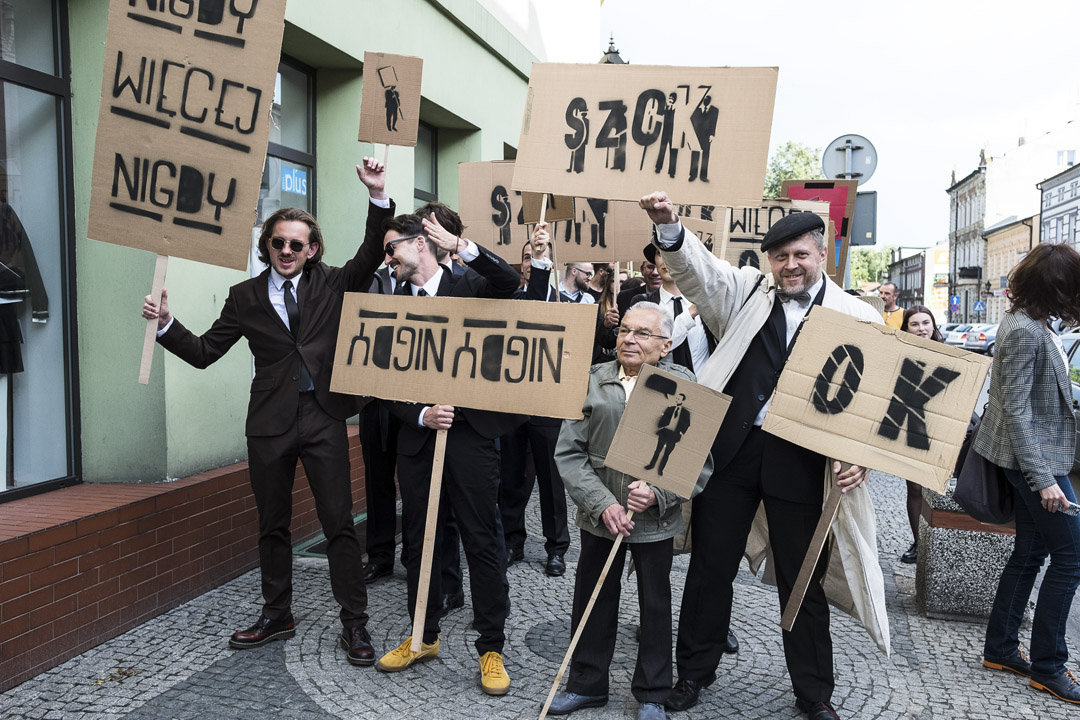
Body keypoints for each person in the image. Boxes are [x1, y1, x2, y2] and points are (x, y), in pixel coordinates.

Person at [140, 158, 391, 666]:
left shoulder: (334, 282)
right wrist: (167, 324)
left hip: (324, 417)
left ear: (312, 249)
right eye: (277, 243)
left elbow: (370, 251)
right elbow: (207, 351)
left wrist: (378, 195)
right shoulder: (245, 297)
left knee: (339, 523)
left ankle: (355, 625)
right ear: (267, 246)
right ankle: (277, 614)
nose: (286, 251)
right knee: (272, 525)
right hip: (269, 425)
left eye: (296, 244)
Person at [640, 195, 882, 720]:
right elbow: (699, 270)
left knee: (803, 577)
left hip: (803, 461)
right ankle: (692, 674)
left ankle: (814, 693)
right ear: (768, 261)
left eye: (799, 255)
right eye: (779, 257)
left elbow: (873, 404)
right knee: (709, 569)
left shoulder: (859, 316)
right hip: (732, 454)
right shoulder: (748, 294)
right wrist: (670, 227)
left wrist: (862, 457)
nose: (789, 265)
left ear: (822, 254)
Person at [375, 210, 520, 697]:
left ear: (420, 244)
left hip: (471, 437)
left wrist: (462, 244)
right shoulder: (392, 302)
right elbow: (382, 376)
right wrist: (419, 414)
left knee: (482, 539)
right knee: (419, 541)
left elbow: (513, 282)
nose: (387, 257)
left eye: (392, 247)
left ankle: (491, 646)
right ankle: (423, 635)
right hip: (419, 439)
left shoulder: (471, 285)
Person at [549, 303, 711, 720]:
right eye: (624, 331)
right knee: (593, 596)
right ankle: (586, 684)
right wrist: (602, 505)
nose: (629, 339)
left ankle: (653, 692)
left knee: (654, 605)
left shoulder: (684, 386)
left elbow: (698, 461)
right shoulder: (594, 381)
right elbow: (569, 453)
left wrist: (659, 493)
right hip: (601, 516)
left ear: (665, 345)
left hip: (653, 521)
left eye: (642, 333)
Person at [974, 242, 1080, 705]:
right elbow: (1015, 411)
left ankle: (1000, 649)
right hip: (1034, 463)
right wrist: (1045, 481)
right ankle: (1048, 666)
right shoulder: (1023, 330)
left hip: (1038, 457)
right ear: (1054, 287)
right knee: (1072, 556)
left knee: (1030, 553)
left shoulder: (1035, 323)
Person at [501, 224, 571, 577]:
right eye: (527, 257)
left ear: (549, 260)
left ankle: (556, 547)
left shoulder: (567, 304)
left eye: (538, 256)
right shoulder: (512, 299)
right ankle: (512, 541)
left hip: (548, 404)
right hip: (514, 403)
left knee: (550, 479)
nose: (531, 262)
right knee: (511, 477)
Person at [897, 305, 945, 564]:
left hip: (940, 429)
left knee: (938, 489)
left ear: (933, 325)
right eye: (914, 324)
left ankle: (939, 544)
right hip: (910, 427)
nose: (921, 328)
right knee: (915, 488)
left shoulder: (950, 355)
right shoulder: (900, 353)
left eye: (925, 322)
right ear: (906, 328)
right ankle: (919, 543)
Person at [630, 245, 717, 374]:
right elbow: (650, 348)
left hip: (704, 387)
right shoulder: (644, 303)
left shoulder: (705, 301)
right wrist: (688, 316)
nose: (666, 259)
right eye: (660, 253)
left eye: (674, 253)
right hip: (662, 389)